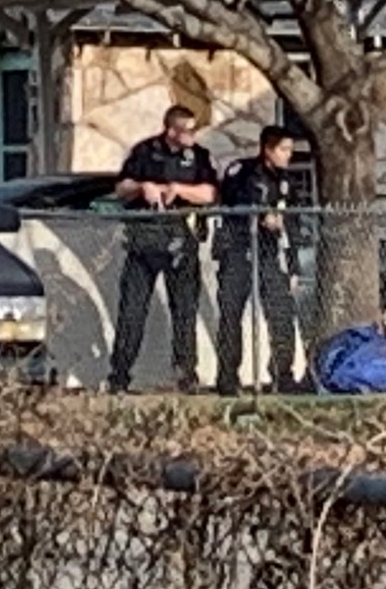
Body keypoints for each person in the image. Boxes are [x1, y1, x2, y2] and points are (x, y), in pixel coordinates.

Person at [107, 106, 218, 393]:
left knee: (184, 311)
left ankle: (185, 375)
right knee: (132, 310)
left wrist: (179, 190)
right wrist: (143, 187)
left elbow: (209, 193)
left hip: (182, 240)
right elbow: (121, 188)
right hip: (144, 241)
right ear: (171, 131)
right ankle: (119, 377)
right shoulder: (145, 152)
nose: (193, 135)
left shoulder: (199, 156)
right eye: (188, 130)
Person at [215, 127, 306, 396]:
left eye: (290, 150)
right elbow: (232, 202)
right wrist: (259, 214)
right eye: (283, 150)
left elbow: (293, 224)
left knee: (281, 312)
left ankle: (282, 375)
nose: (288, 155)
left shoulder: (287, 181)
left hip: (270, 253)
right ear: (267, 149)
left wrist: (293, 266)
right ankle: (228, 379)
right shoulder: (242, 172)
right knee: (231, 314)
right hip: (238, 250)